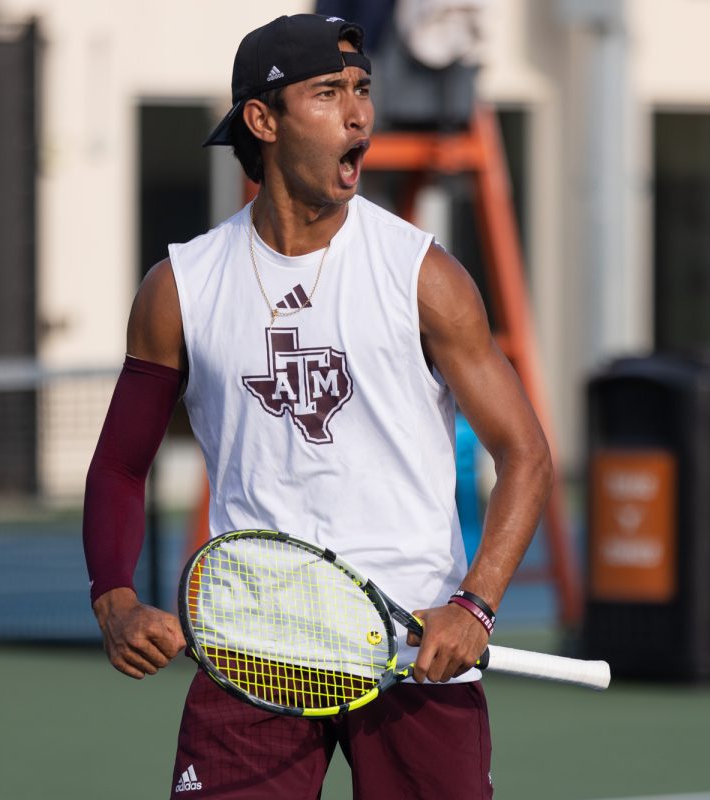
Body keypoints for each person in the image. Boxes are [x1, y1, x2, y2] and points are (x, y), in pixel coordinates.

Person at [82, 14, 552, 798]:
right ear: (262, 121)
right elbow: (120, 465)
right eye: (329, 93)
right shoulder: (179, 290)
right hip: (252, 651)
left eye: (363, 90)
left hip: (410, 651)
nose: (360, 114)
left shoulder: (423, 276)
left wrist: (476, 603)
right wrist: (115, 598)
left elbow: (526, 454)